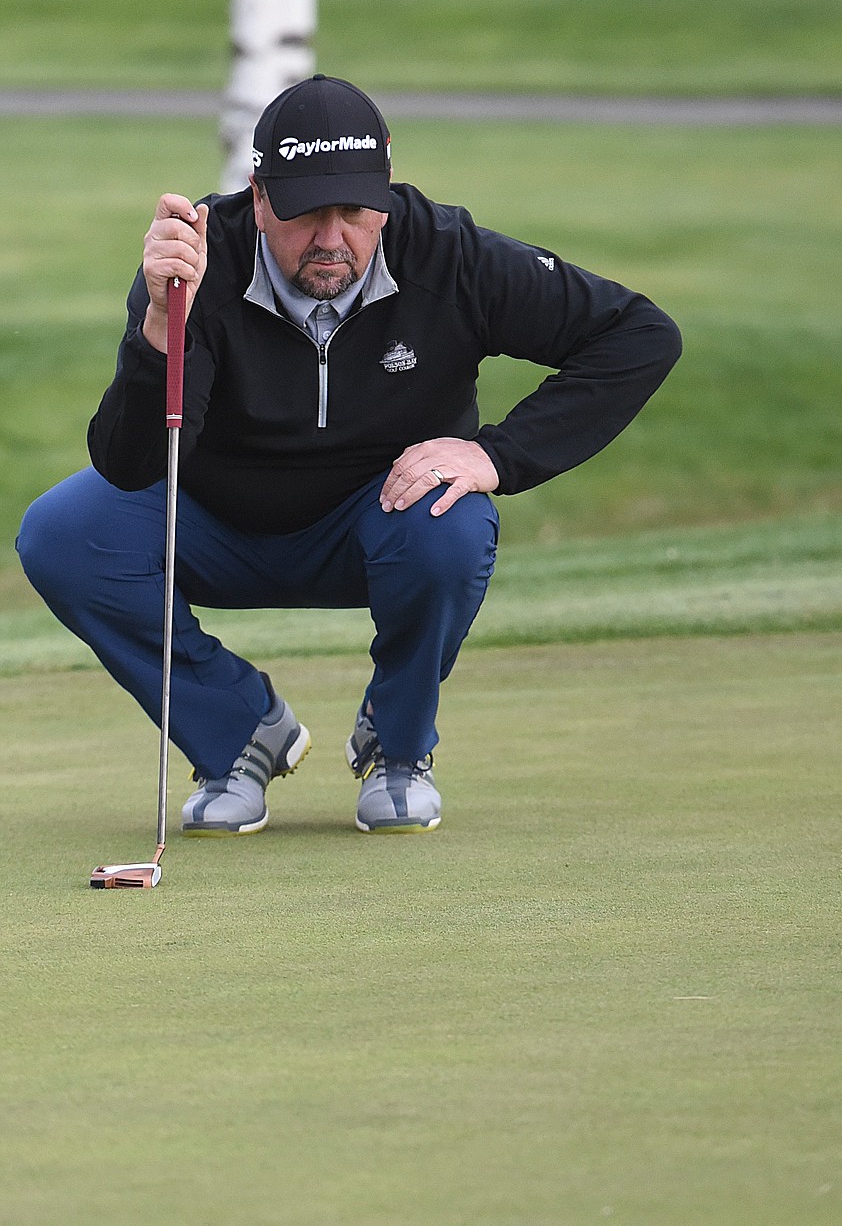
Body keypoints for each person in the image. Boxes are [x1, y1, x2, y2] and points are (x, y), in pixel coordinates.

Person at [16, 75, 681, 837]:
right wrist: (164, 334)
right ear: (260, 197)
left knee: (452, 522)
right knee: (62, 534)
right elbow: (132, 466)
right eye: (304, 212)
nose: (333, 237)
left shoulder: (445, 253)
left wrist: (495, 455)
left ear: (387, 189)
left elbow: (639, 334)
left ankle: (397, 749)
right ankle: (237, 735)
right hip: (214, 523)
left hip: (380, 524)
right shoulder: (199, 264)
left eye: (357, 211)